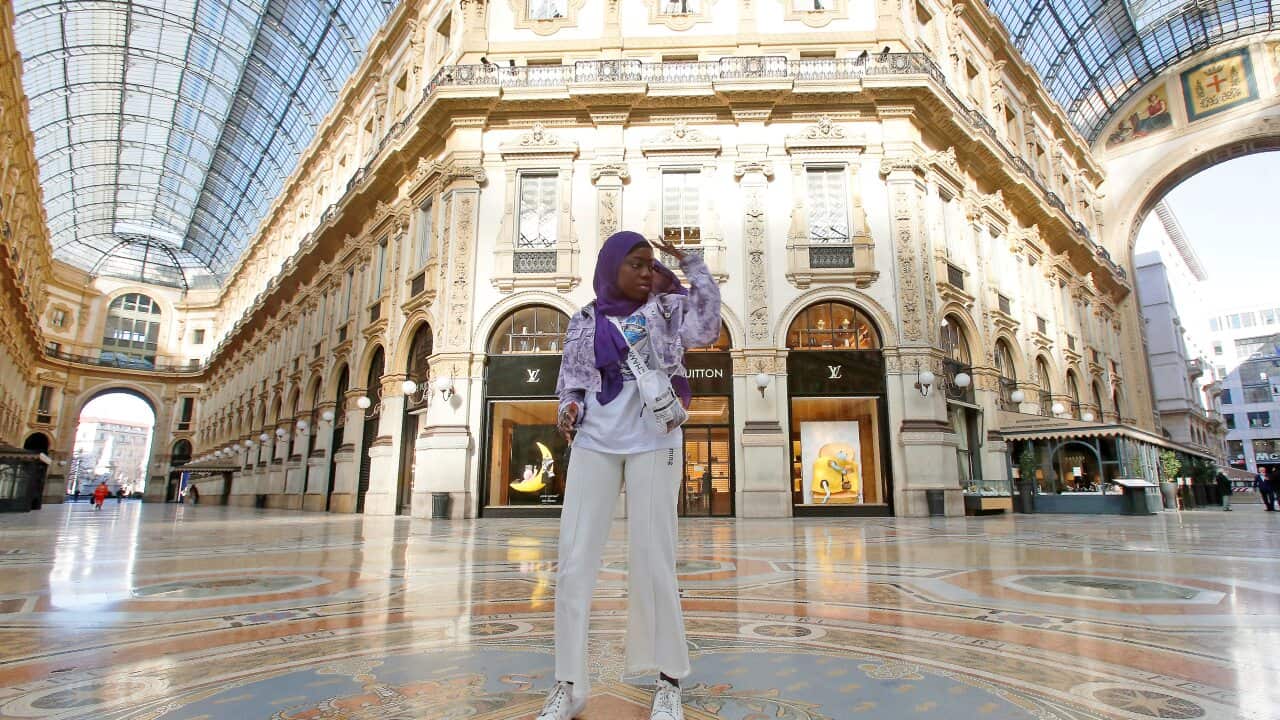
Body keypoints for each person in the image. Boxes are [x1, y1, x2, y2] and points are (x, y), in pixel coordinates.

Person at [537, 231, 721, 720]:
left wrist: (693, 267)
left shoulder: (666, 310)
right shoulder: (583, 319)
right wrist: (569, 408)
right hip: (595, 442)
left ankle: (668, 682)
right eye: (636, 264)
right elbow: (571, 382)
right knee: (574, 562)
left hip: (655, 438)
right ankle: (568, 685)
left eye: (650, 265)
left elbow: (707, 329)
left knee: (654, 558)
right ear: (611, 266)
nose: (646, 272)